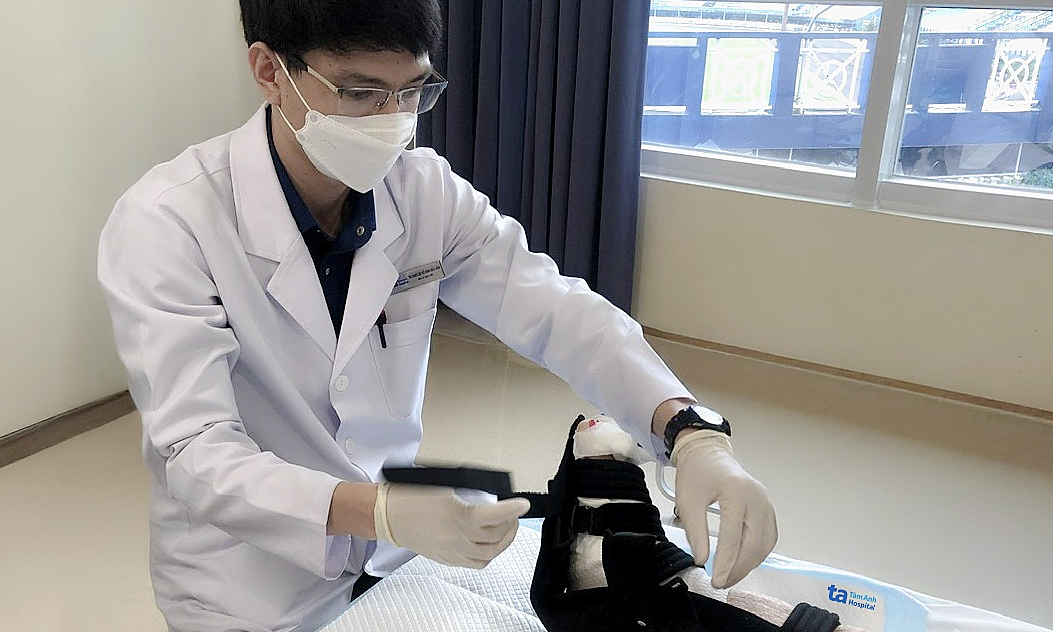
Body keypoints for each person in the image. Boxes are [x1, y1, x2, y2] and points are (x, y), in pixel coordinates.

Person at [96, 1, 777, 630]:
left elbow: (556, 309)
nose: (392, 119)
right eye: (360, 92)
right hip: (249, 587)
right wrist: (377, 511)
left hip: (396, 557)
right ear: (270, 71)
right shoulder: (170, 222)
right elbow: (196, 453)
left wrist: (688, 432)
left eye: (413, 91)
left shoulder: (422, 190)